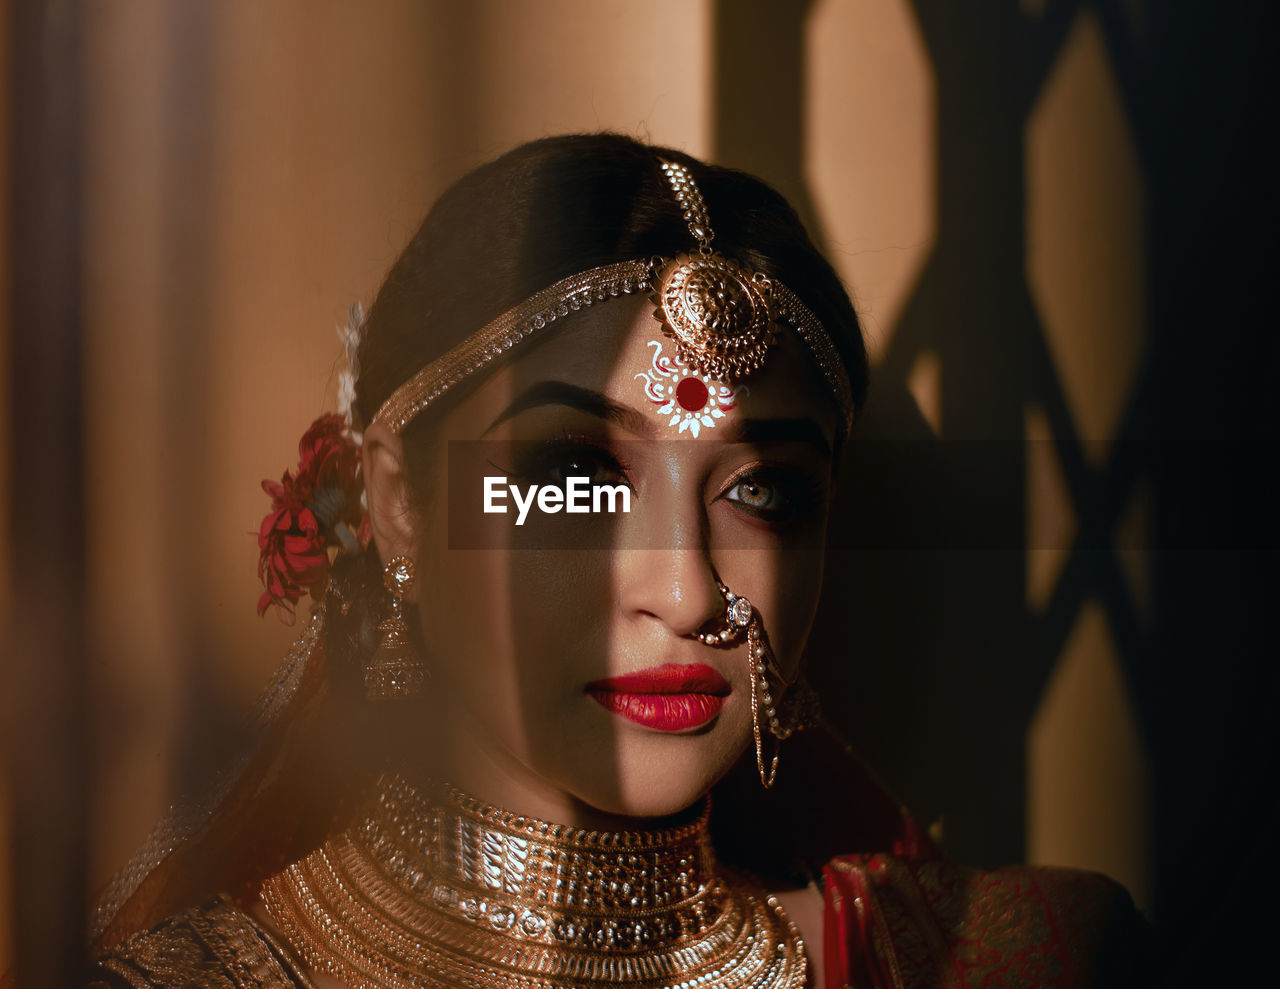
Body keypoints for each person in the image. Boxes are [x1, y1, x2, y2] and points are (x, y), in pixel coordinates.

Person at [85, 134, 1149, 988]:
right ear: (398, 503)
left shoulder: (994, 959)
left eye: (762, 491)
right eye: (578, 474)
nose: (686, 590)